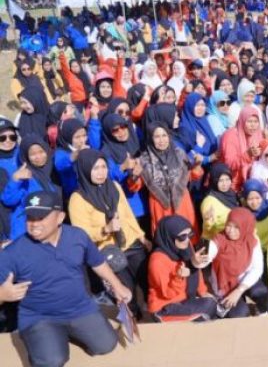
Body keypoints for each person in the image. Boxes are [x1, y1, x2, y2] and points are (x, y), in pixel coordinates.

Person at [0, 191, 131, 367]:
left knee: (107, 345)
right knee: (52, 361)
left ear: (60, 217)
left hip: (80, 308)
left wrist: (117, 285)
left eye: (41, 217)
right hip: (40, 318)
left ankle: (62, 335)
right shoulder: (13, 252)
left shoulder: (78, 236)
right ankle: (47, 339)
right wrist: (2, 295)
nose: (34, 224)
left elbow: (97, 262)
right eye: (30, 217)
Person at [68, 149, 151, 317]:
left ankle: (151, 314)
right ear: (84, 169)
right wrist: (105, 230)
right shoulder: (77, 199)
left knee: (146, 281)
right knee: (125, 291)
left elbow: (128, 214)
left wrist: (142, 237)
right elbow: (81, 234)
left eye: (103, 167)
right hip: (109, 251)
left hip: (131, 243)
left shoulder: (114, 186)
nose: (101, 173)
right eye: (95, 168)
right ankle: (133, 319)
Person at [134, 122, 200, 235]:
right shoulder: (144, 160)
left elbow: (191, 175)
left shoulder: (179, 154)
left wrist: (197, 166)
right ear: (150, 138)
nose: (162, 140)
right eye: (157, 136)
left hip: (182, 201)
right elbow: (135, 186)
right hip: (161, 205)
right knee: (166, 236)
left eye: (164, 135)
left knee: (186, 235)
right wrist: (134, 175)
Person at [148, 216, 216, 322]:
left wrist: (202, 291)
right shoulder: (157, 261)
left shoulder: (185, 246)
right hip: (165, 305)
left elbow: (194, 271)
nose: (187, 239)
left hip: (184, 297)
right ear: (169, 237)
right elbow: (167, 294)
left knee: (211, 303)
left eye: (190, 235)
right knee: (209, 306)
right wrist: (178, 277)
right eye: (182, 236)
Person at [206, 208, 268, 318]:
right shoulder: (219, 239)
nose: (230, 231)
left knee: (260, 292)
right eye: (228, 225)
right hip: (225, 286)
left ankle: (261, 310)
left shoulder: (252, 240)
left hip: (244, 280)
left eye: (236, 227)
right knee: (240, 313)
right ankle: (237, 304)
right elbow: (206, 256)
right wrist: (198, 260)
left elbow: (257, 268)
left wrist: (239, 290)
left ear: (245, 227)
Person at [220, 106, 264, 192]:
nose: (253, 125)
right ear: (242, 121)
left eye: (256, 121)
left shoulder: (258, 135)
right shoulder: (230, 136)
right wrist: (248, 155)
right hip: (231, 184)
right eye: (249, 121)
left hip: (250, 183)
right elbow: (230, 164)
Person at [201, 163, 239, 240]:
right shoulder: (209, 201)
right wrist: (208, 220)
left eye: (227, 179)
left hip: (230, 238)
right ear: (214, 181)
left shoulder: (232, 194)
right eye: (221, 180)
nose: (225, 184)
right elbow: (208, 226)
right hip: (215, 241)